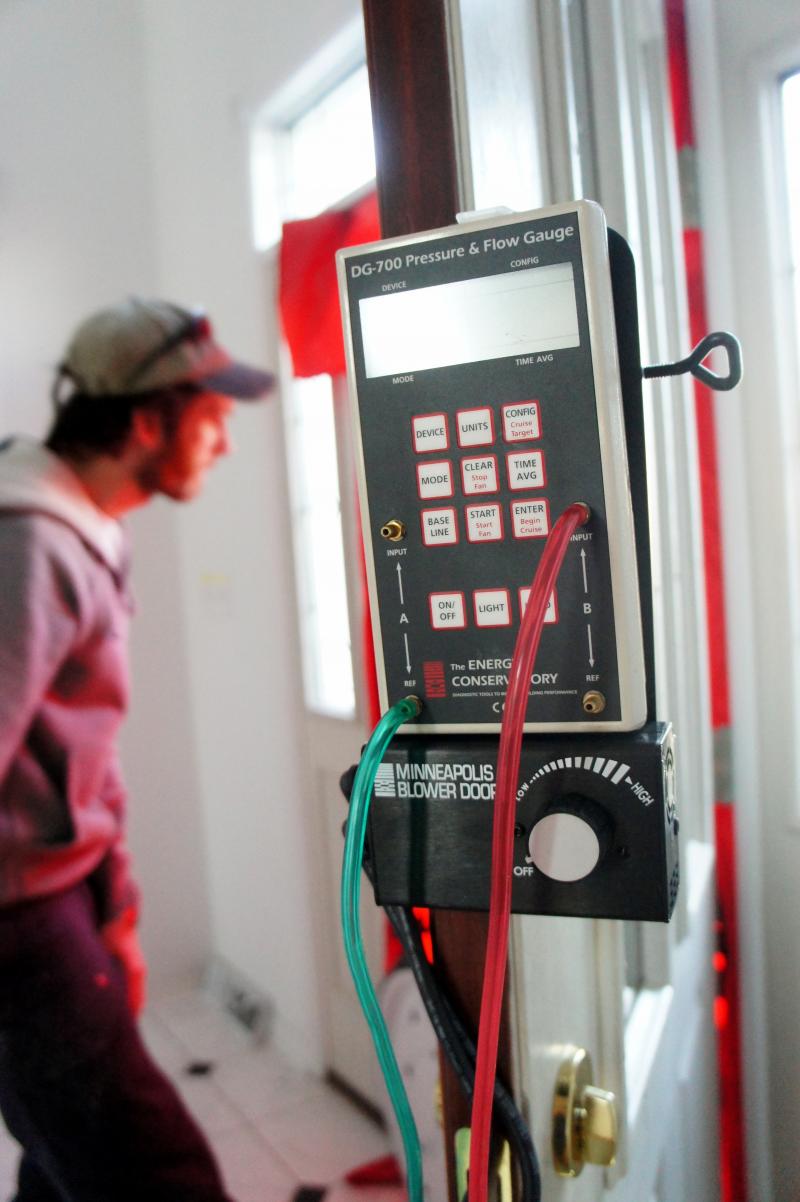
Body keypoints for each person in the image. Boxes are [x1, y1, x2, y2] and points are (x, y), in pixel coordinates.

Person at [0, 298, 274, 1201]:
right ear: (149, 421)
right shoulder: (30, 542)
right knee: (162, 1178)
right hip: (21, 930)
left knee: (63, 1164)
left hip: (61, 905)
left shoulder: (85, 526)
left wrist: (115, 909)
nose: (224, 445)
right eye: (212, 420)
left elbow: (83, 752)